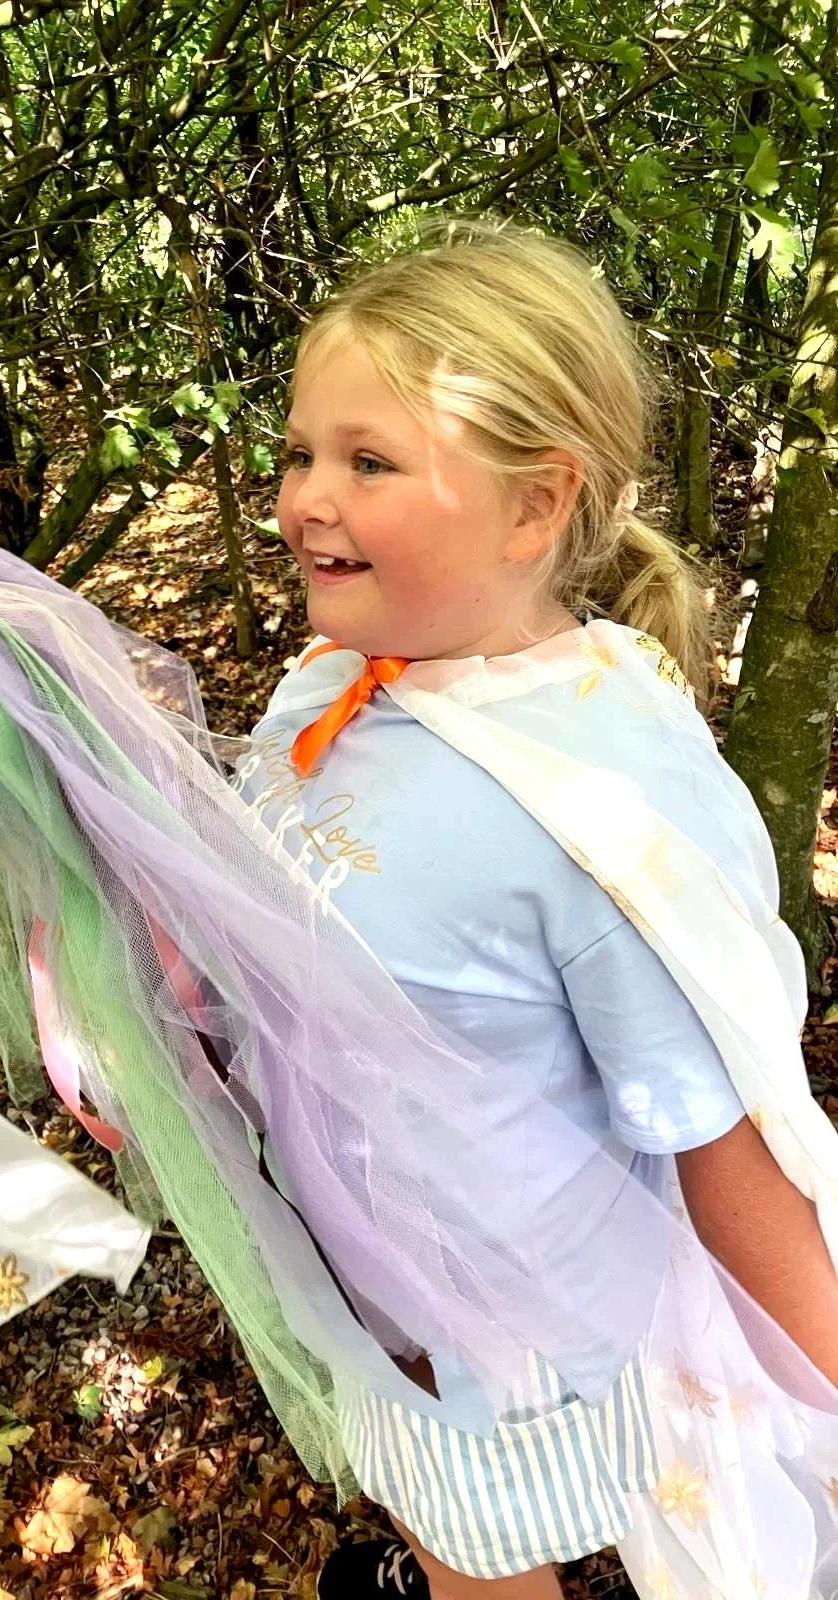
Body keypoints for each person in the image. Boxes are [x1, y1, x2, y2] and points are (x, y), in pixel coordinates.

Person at [231, 219, 838, 1599]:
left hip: (519, 1339)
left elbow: (726, 1147)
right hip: (373, 1292)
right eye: (298, 452)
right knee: (441, 1524)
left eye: (368, 461)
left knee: (493, 1561)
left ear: (534, 504)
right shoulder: (325, 693)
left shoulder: (594, 810)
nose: (306, 498)